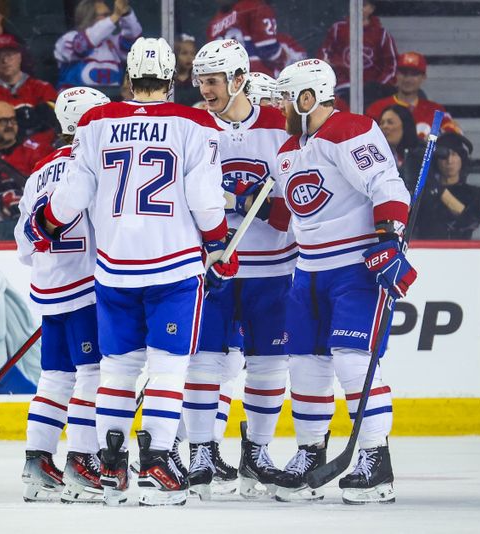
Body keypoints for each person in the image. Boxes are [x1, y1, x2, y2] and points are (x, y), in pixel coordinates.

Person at [27, 37, 238, 507]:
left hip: (115, 269)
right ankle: (158, 464)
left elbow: (70, 196)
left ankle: (111, 469)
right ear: (171, 79)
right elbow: (206, 200)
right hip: (173, 265)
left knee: (117, 371)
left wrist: (46, 223)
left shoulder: (95, 122)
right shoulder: (194, 122)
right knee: (167, 368)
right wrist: (220, 242)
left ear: (127, 77)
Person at [273, 58, 416, 504]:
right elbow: (284, 213)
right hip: (307, 270)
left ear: (307, 97)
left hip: (354, 267)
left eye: (285, 96)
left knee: (352, 361)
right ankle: (310, 453)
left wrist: (388, 238)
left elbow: (386, 184)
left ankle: (376, 460)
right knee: (305, 363)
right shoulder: (286, 150)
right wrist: (235, 200)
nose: (279, 105)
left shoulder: (348, 129)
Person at [189, 39, 294, 500]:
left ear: (238, 79)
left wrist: (256, 203)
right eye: (200, 81)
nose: (205, 90)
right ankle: (201, 450)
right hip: (211, 265)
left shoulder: (279, 125)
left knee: (269, 363)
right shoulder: (191, 126)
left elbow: (297, 195)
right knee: (204, 360)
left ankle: (257, 452)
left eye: (212, 81)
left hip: (271, 265)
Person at [14, 86, 109, 504]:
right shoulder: (96, 165)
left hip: (50, 289)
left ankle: (38, 463)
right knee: (92, 374)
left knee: (55, 376)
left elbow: (23, 245)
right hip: (87, 287)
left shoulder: (38, 173)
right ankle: (83, 460)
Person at [0, 101, 54, 223]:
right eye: (3, 121)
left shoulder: (36, 152)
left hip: (29, 219)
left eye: (13, 120)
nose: (10, 125)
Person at [0, 33, 57, 141]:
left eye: (9, 55)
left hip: (39, 150)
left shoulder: (42, 88)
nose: (5, 61)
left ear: (19, 56)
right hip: (1, 152)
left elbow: (54, 125)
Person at [365, 51, 461, 140]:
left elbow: (454, 132)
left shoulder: (435, 111)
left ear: (423, 77)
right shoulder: (376, 109)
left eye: (414, 74)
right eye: (404, 73)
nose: (408, 79)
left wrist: (436, 137)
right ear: (396, 75)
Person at [318, 0, 398, 106]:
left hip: (371, 91)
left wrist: (378, 85)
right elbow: (325, 53)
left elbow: (392, 65)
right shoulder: (338, 29)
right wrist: (330, 64)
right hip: (342, 86)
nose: (359, 8)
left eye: (364, 5)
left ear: (372, 9)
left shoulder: (381, 34)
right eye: (356, 5)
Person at [53, 0, 142, 88]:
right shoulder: (68, 39)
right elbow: (81, 46)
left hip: (112, 99)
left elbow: (134, 42)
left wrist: (125, 13)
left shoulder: (112, 42)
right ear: (89, 17)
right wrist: (115, 15)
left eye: (110, 15)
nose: (110, 18)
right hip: (76, 98)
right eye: (105, 15)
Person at [415, 132, 480, 240]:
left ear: (462, 158)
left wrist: (438, 190)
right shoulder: (423, 195)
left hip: (461, 253)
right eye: (444, 156)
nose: (449, 161)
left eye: (454, 154)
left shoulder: (476, 193)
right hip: (426, 253)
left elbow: (469, 220)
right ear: (436, 160)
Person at [206, 0, 285, 77]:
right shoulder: (254, 6)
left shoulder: (213, 24)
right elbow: (269, 50)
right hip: (256, 78)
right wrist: (284, 58)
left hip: (227, 82)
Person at [378, 104, 424, 193]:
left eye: (390, 122)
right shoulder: (378, 155)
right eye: (382, 123)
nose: (384, 126)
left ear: (405, 126)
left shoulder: (421, 153)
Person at [172, 34, 201, 107]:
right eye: (184, 53)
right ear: (175, 55)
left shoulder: (199, 82)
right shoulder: (170, 81)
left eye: (192, 54)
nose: (189, 57)